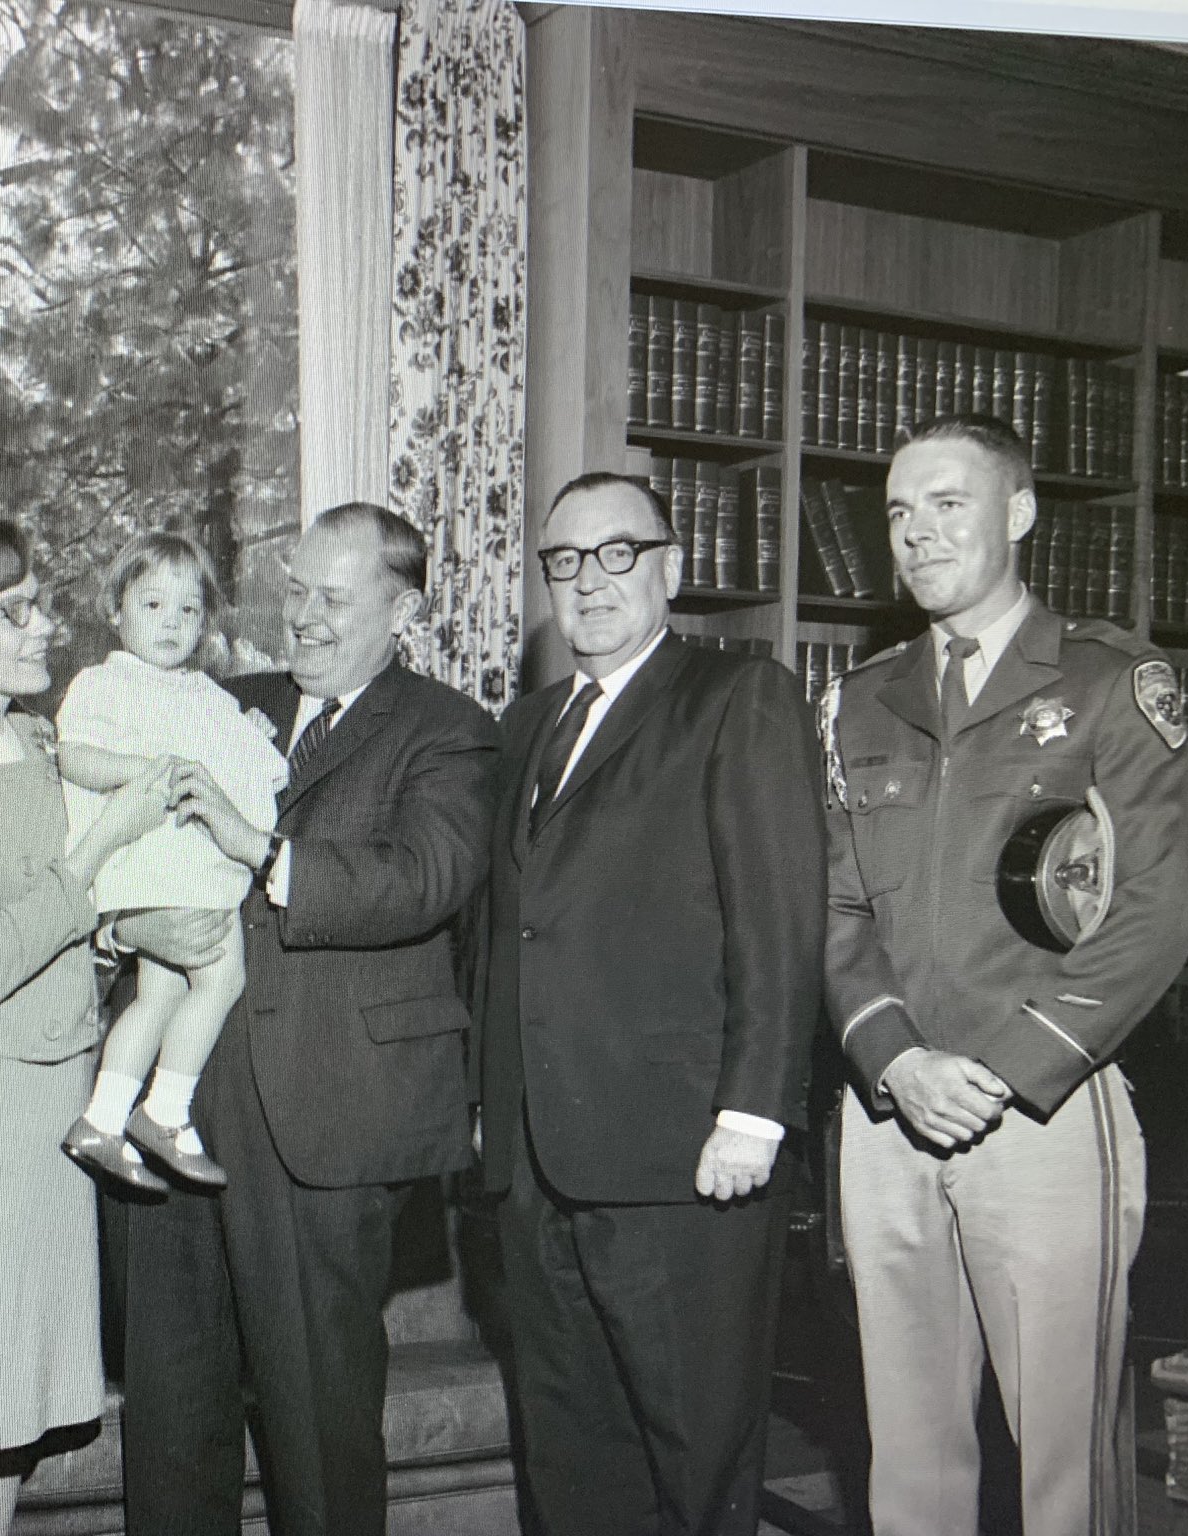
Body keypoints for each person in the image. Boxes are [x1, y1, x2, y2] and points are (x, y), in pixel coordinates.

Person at [824, 414, 1188, 1536]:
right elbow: (835, 907)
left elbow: (1155, 910)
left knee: (1061, 1466)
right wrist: (894, 1062)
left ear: (1018, 512)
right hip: (887, 1116)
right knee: (909, 1463)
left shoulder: (1104, 678)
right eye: (898, 512)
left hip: (1038, 1112)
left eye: (946, 503)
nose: (916, 534)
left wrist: (997, 1070)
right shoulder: (863, 696)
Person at [116, 502, 499, 1536]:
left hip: (324, 1115)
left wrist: (260, 849)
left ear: (402, 605)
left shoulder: (448, 730)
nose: (303, 617)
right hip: (174, 1108)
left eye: (333, 596)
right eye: (293, 588)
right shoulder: (216, 702)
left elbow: (419, 878)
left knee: (317, 1428)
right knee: (169, 1413)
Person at [0, 514, 227, 1536]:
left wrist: (134, 933)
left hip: (48, 1101)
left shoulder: (40, 741)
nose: (41, 626)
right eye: (12, 610)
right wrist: (108, 839)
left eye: (36, 603)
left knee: (8, 1401)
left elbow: (71, 932)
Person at [472, 471, 826, 1536]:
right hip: (538, 1162)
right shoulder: (527, 722)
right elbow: (507, 932)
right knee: (570, 1451)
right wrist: (493, 1105)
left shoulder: (735, 696)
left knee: (694, 1449)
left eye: (615, 553)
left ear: (668, 567)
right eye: (563, 562)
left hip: (684, 1154)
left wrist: (753, 1111)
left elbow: (777, 916)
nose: (587, 582)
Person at [56, 531, 289, 1191]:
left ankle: (103, 1118)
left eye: (188, 612)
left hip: (174, 869)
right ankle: (165, 1110)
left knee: (158, 996)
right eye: (153, 604)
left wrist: (253, 738)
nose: (171, 624)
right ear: (115, 609)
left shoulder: (201, 694)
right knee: (222, 978)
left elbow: (252, 765)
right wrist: (143, 771)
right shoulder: (103, 683)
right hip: (151, 863)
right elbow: (73, 755)